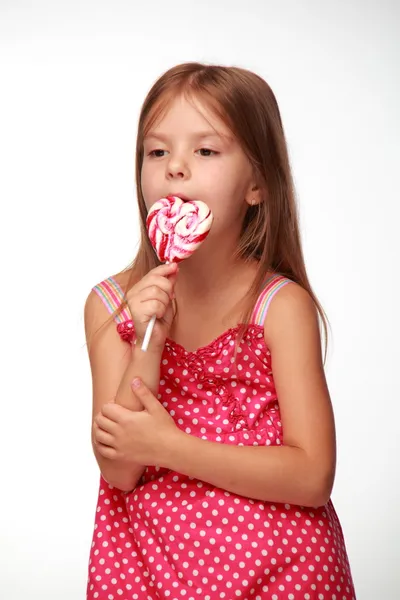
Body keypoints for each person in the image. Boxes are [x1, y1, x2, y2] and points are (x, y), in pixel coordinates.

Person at [84, 62, 356, 600]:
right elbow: (119, 470)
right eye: (157, 151)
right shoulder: (110, 306)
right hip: (149, 568)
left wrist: (174, 447)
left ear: (256, 184)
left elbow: (311, 475)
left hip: (284, 574)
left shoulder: (279, 308)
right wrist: (148, 344)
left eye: (205, 151)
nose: (175, 169)